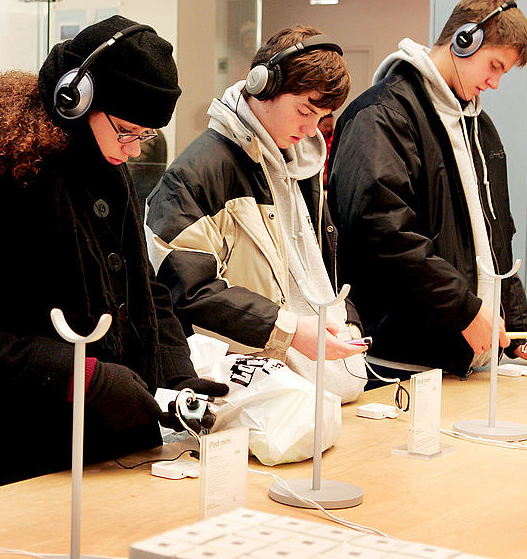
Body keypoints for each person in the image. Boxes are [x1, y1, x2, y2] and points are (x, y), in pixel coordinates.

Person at [0, 15, 228, 489]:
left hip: (131, 435)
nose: (133, 149)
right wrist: (86, 377)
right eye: (127, 130)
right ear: (75, 97)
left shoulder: (105, 156)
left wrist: (176, 375)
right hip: (42, 444)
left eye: (144, 136)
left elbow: (142, 285)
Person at [328, 0, 527, 379]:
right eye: (495, 66)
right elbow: (382, 233)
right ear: (465, 40)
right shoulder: (380, 116)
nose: (496, 83)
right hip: (400, 364)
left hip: (467, 361)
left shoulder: (479, 127)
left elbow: (496, 238)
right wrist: (464, 310)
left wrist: (518, 336)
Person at [144, 26, 366, 402]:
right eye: (304, 111)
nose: (312, 129)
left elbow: (317, 275)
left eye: (322, 116)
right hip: (249, 400)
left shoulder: (301, 165)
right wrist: (290, 330)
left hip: (324, 396)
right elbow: (188, 291)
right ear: (262, 86)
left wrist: (347, 321)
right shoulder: (195, 174)